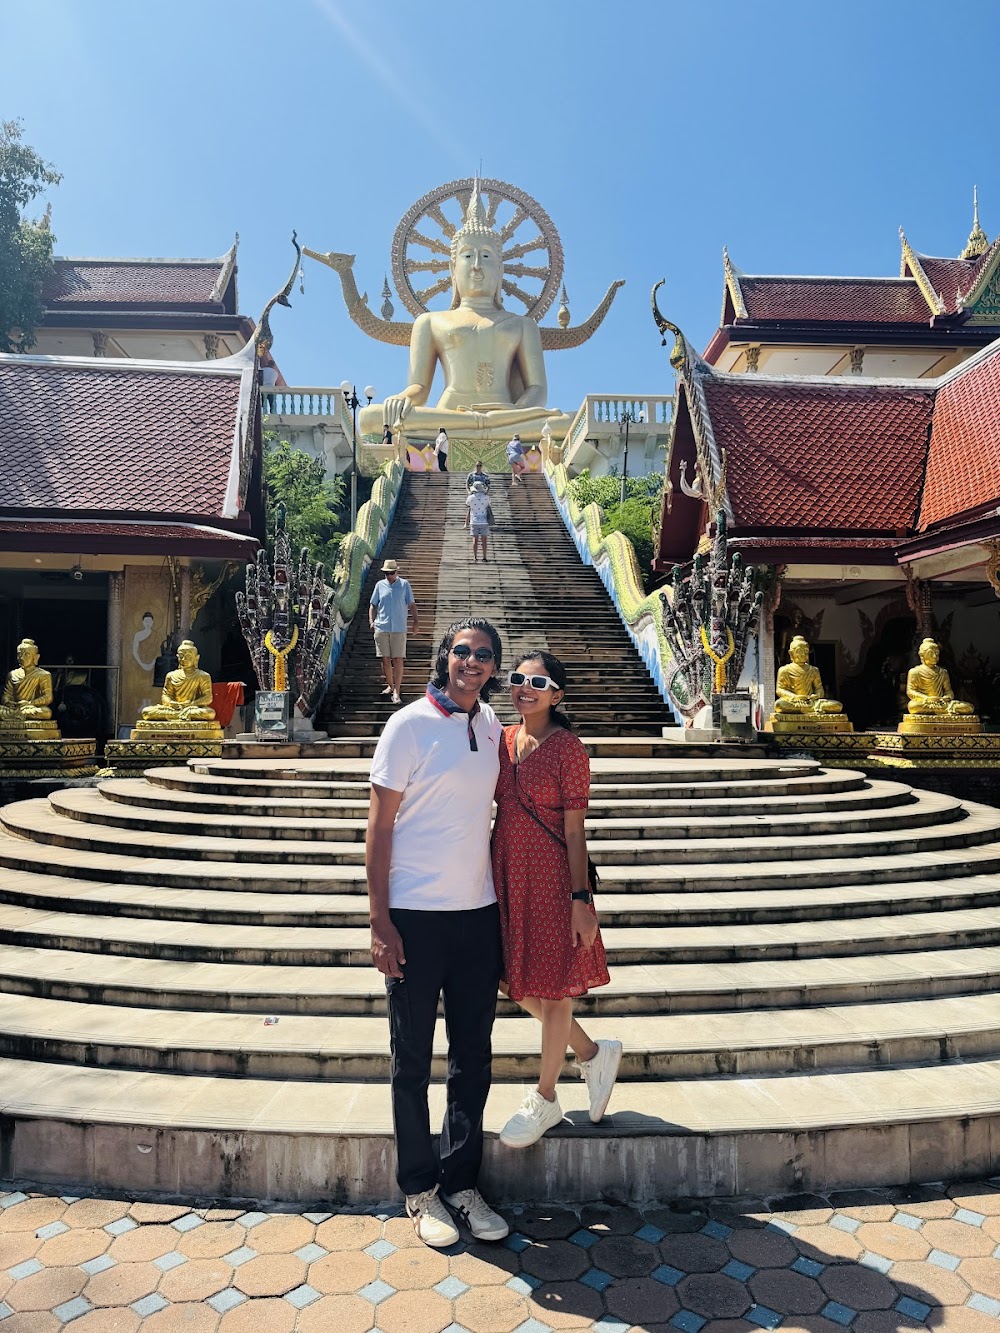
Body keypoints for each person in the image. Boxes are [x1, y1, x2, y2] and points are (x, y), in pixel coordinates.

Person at [367, 618, 509, 1249]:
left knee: (472, 1060)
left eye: (482, 655)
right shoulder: (408, 726)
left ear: (492, 668)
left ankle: (462, 1182)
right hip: (415, 920)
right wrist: (379, 921)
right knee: (411, 1061)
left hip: (478, 917)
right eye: (461, 652)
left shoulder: (490, 726)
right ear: (443, 658)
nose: (470, 662)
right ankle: (420, 1188)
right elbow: (379, 828)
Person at [491, 650, 621, 1148]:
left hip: (550, 877)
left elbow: (574, 830)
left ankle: (546, 1097)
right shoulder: (501, 740)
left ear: (556, 694)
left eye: (538, 681)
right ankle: (591, 1052)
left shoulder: (568, 749)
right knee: (511, 979)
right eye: (519, 679)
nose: (525, 687)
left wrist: (580, 898)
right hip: (504, 873)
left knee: (554, 988)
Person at [369, 559, 418, 705]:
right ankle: (390, 685)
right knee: (385, 659)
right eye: (386, 573)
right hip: (382, 627)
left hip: (398, 628)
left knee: (398, 659)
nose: (389, 576)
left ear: (397, 572)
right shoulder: (379, 585)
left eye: (391, 573)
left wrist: (416, 622)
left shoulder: (404, 585)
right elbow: (373, 605)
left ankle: (397, 689)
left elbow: (411, 604)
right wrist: (372, 621)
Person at [465, 479, 492, 563]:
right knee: (484, 540)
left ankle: (475, 557)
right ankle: (484, 557)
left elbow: (468, 505)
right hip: (484, 521)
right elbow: (488, 505)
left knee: (475, 540)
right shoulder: (486, 498)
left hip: (474, 521)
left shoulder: (470, 498)